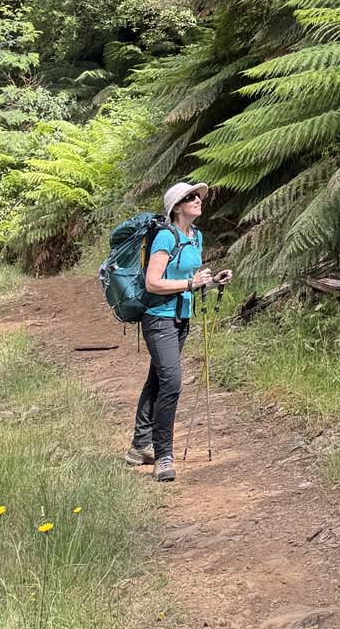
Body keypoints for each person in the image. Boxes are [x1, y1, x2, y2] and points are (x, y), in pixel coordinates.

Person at [125, 181, 232, 481]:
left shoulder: (196, 236)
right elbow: (153, 283)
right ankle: (163, 455)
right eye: (190, 197)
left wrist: (212, 282)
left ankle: (138, 447)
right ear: (177, 206)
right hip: (158, 318)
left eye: (199, 196)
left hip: (181, 317)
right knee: (171, 383)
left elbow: (192, 279)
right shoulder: (164, 237)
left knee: (157, 382)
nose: (198, 200)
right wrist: (190, 284)